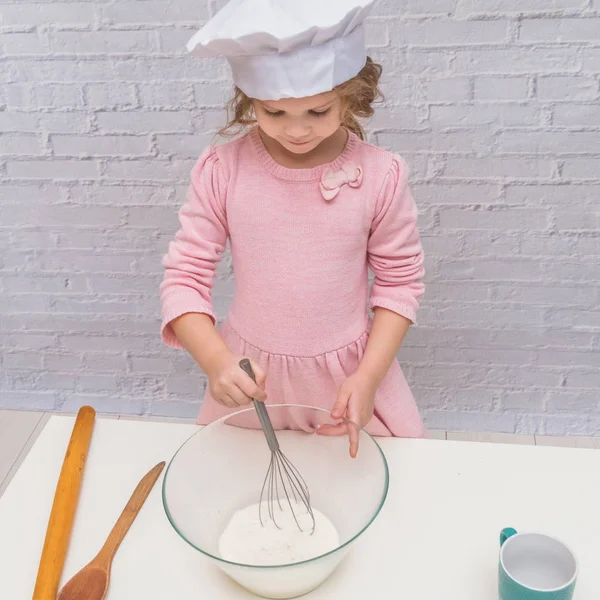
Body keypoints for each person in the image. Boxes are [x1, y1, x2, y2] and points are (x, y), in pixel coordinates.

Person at [160, 0, 426, 456]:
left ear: (352, 96)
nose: (296, 131)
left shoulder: (381, 176)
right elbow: (184, 279)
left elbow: (400, 283)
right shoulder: (223, 169)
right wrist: (216, 362)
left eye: (318, 112)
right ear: (250, 102)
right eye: (274, 113)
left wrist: (367, 378)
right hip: (252, 376)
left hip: (353, 377)